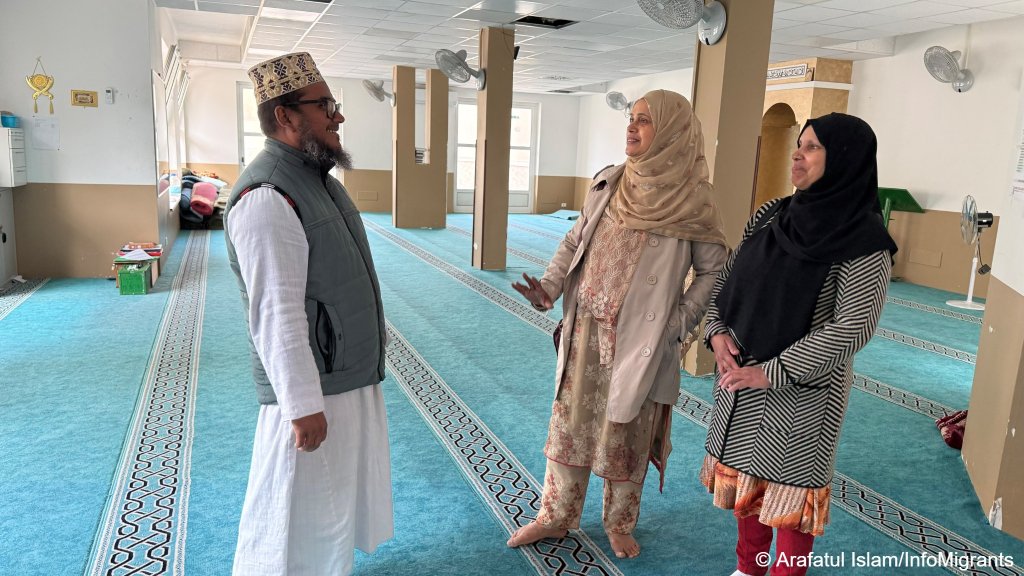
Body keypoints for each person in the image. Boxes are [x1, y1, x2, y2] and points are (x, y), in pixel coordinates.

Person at [508, 90, 729, 559]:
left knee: (625, 428)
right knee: (571, 423)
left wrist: (678, 325)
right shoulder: (610, 182)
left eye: (644, 121)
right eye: (632, 118)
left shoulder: (692, 200)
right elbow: (574, 241)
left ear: (670, 132)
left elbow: (714, 270)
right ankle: (555, 515)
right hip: (586, 329)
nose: (632, 127)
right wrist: (549, 287)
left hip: (642, 339)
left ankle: (619, 522)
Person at [700, 113, 898, 576]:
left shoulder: (864, 241)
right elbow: (729, 281)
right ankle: (749, 568)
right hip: (741, 375)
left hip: (801, 394)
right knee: (746, 487)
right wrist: (716, 330)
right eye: (800, 144)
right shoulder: (772, 214)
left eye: (812, 147)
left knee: (790, 498)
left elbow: (854, 326)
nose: (797, 153)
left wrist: (771, 371)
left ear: (845, 160)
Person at [224, 52, 392, 576]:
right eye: (325, 106)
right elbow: (275, 313)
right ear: (286, 116)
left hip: (340, 374)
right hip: (313, 388)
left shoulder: (319, 179)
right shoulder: (268, 195)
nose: (337, 116)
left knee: (332, 503)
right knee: (300, 509)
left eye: (333, 104)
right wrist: (300, 405)